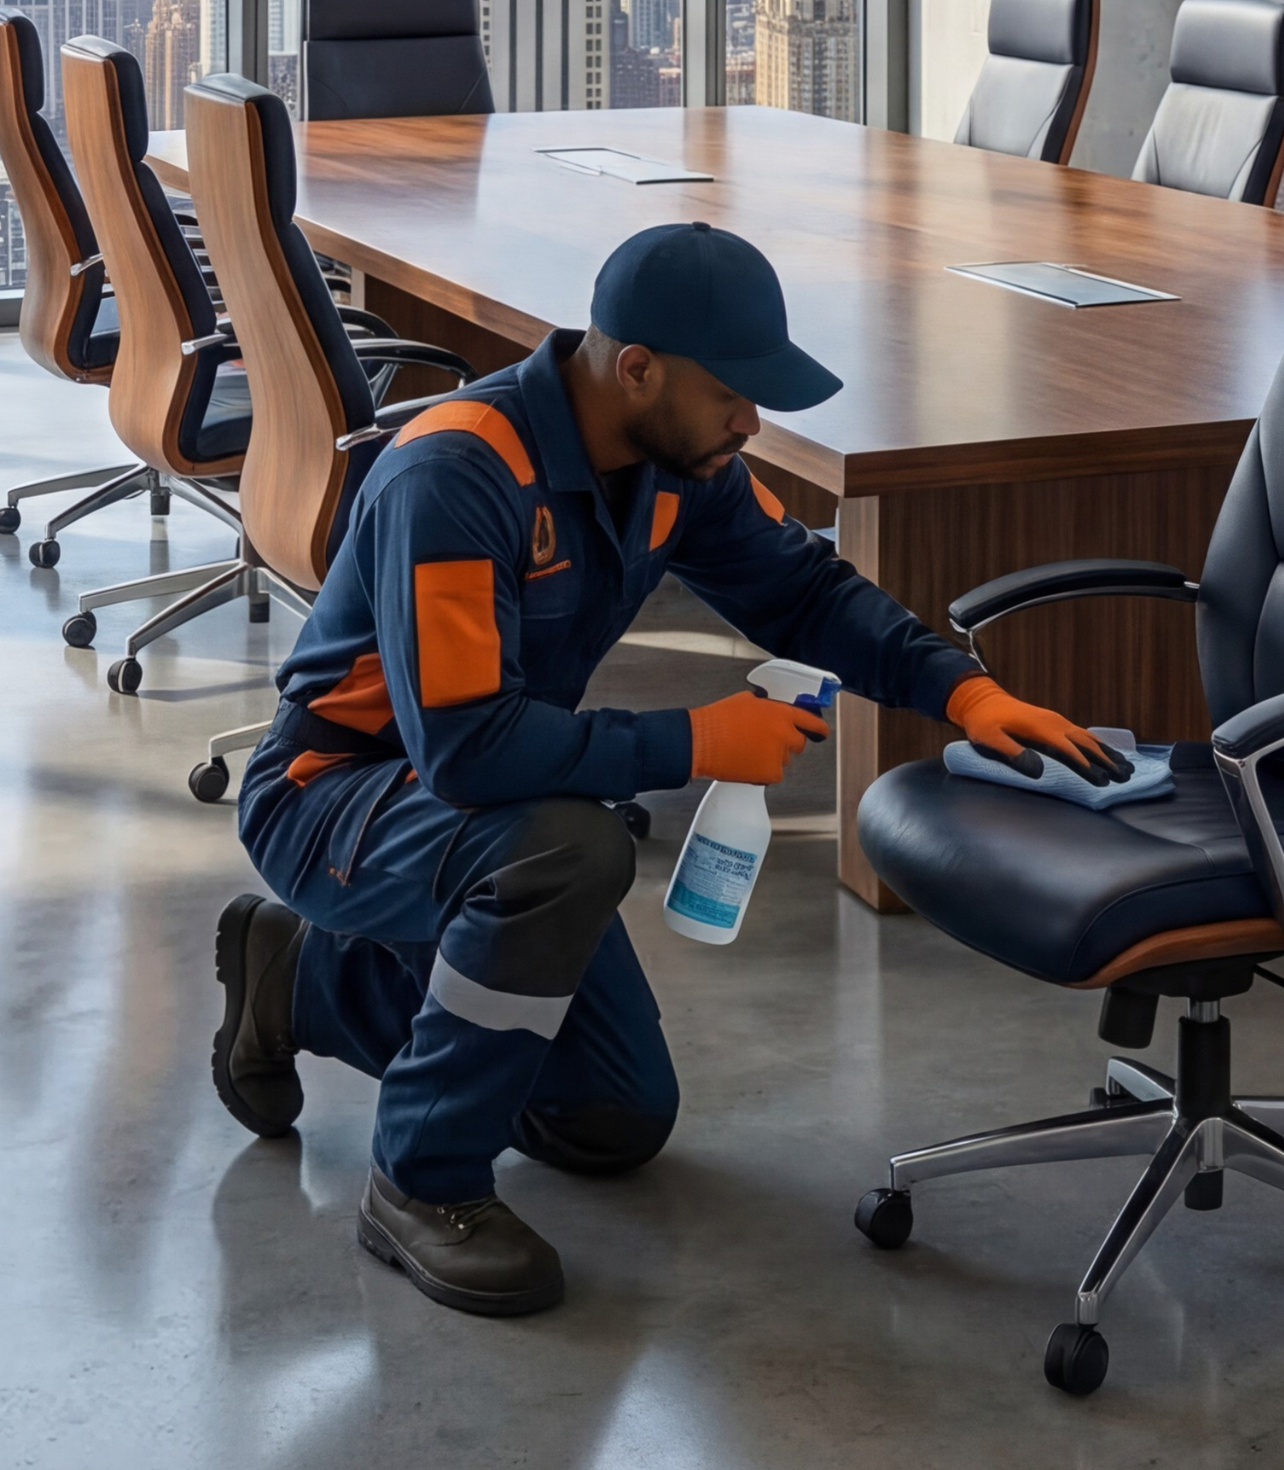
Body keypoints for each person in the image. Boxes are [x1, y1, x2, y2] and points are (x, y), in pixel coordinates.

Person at [210, 219, 1123, 1317]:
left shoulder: (673, 462)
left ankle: (299, 979)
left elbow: (806, 591)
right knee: (565, 846)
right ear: (634, 367)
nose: (752, 419)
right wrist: (694, 741)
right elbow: (465, 748)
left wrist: (961, 689)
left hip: (477, 795)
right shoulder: (457, 474)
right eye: (732, 393)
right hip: (336, 794)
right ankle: (419, 1181)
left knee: (609, 1117)